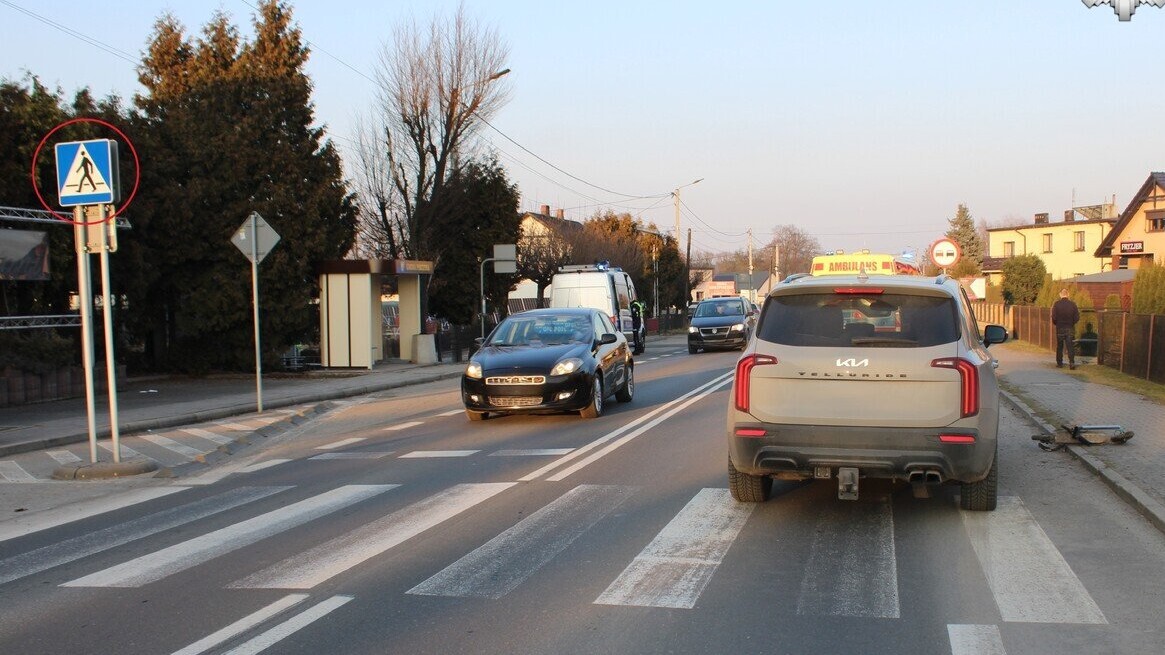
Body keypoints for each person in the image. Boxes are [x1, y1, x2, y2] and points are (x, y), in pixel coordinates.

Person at [1052, 288, 1080, 370]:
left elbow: (1054, 317)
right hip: (1070, 327)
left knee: (1059, 346)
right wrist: (1072, 323)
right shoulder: (1073, 304)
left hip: (1060, 327)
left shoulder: (1057, 304)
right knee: (1070, 346)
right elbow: (1077, 317)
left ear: (1060, 295)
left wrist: (1057, 323)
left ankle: (1059, 363)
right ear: (1068, 294)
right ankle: (1071, 363)